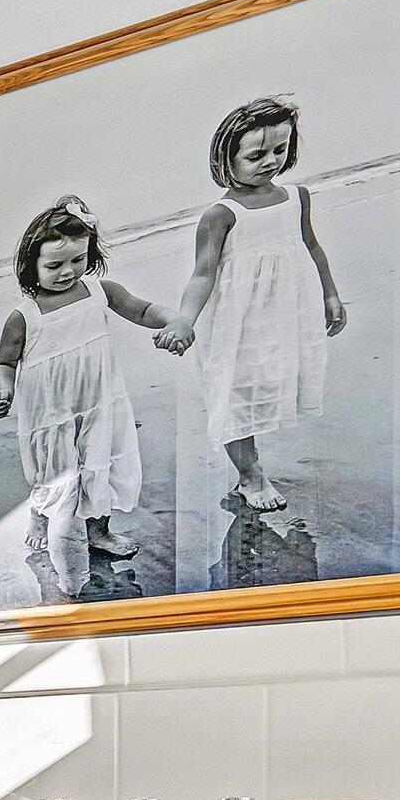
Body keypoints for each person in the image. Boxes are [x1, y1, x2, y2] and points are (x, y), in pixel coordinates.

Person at [155, 94, 348, 512]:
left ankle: (251, 468)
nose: (270, 161)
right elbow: (203, 273)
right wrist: (184, 320)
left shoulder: (298, 197)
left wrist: (330, 293)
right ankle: (250, 475)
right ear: (228, 157)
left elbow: (311, 246)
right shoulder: (221, 214)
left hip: (284, 315)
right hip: (235, 320)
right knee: (236, 393)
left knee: (272, 384)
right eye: (256, 154)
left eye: (280, 149)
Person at [0, 196, 167, 569]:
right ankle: (39, 513)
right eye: (54, 264)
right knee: (53, 470)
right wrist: (3, 389)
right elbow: (4, 362)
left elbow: (143, 310)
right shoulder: (25, 316)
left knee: (101, 461)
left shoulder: (102, 292)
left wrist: (176, 320)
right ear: (31, 265)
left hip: (101, 403)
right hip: (50, 413)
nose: (68, 271)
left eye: (78, 260)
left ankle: (99, 533)